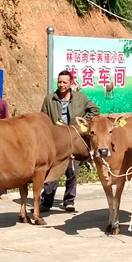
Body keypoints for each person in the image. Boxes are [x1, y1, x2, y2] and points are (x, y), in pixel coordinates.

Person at [39, 70, 100, 212]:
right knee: (52, 170)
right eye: (59, 82)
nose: (61, 85)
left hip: (74, 139)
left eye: (64, 82)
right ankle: (46, 201)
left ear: (71, 83)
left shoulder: (80, 98)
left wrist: (82, 125)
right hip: (56, 140)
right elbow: (43, 117)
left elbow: (95, 110)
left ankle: (69, 200)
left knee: (72, 170)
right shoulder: (50, 99)